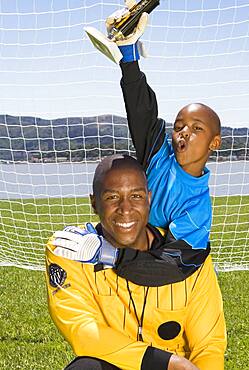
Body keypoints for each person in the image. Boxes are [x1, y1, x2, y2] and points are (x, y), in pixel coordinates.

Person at [46, 155, 226, 370]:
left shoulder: (187, 256)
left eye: (136, 196)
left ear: (149, 199)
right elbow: (83, 330)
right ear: (94, 203)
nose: (125, 208)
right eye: (113, 197)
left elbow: (208, 345)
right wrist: (169, 363)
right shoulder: (72, 249)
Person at [109, 2, 222, 259]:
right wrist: (128, 56)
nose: (183, 132)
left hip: (160, 269)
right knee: (115, 166)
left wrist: (119, 258)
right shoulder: (160, 156)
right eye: (179, 126)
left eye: (196, 128)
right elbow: (142, 113)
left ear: (214, 143)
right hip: (130, 236)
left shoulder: (196, 204)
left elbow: (176, 259)